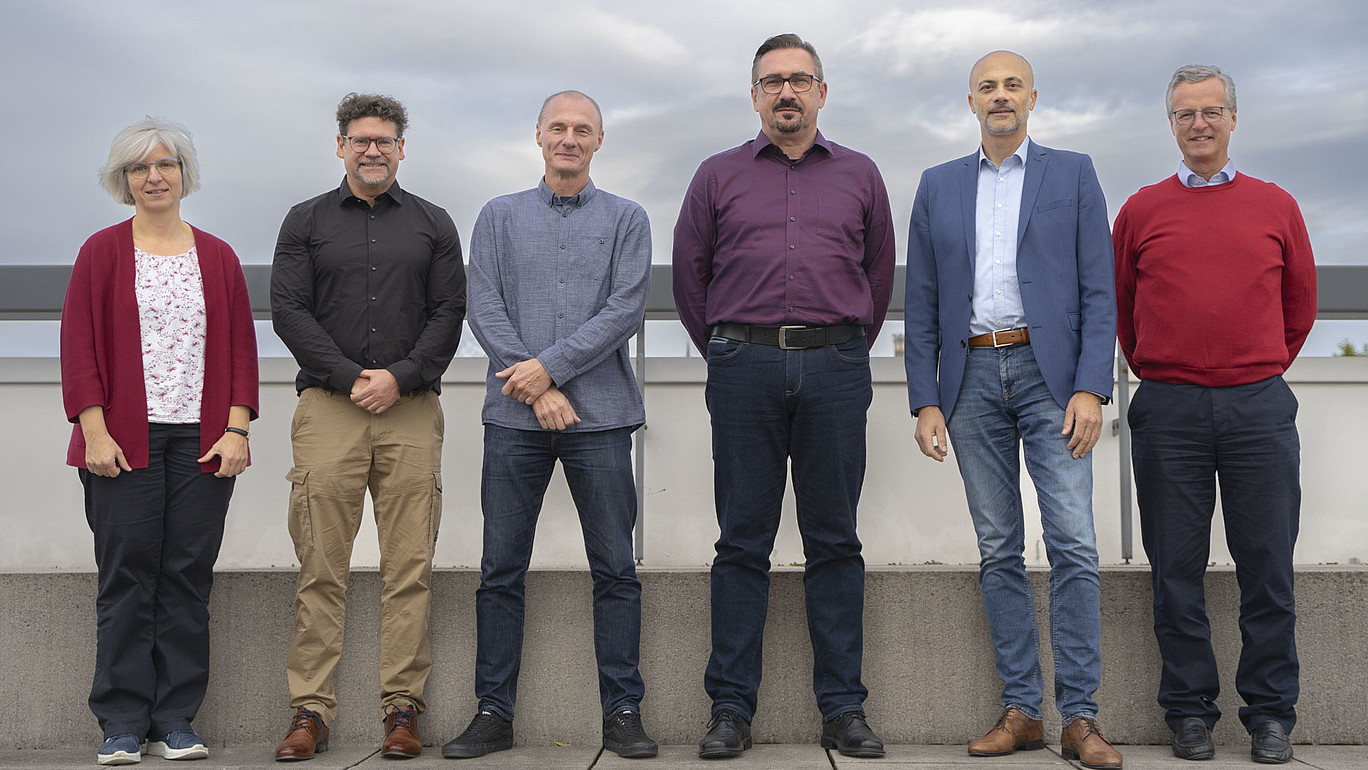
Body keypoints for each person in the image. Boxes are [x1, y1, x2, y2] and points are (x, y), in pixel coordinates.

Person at [673, 33, 894, 760]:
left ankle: (844, 710)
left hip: (835, 367)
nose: (787, 93)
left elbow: (879, 274)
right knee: (742, 542)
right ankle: (731, 710)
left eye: (800, 80)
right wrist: (730, 352)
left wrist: (842, 346)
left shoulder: (860, 174)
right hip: (744, 369)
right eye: (773, 82)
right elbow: (690, 277)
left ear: (822, 92)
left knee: (835, 541)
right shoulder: (716, 175)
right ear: (755, 95)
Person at [903, 51, 1121, 769]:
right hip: (969, 377)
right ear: (971, 103)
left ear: (1032, 97)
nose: (1000, 97)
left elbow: (1099, 288)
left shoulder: (1073, 173)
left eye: (1011, 85)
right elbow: (923, 303)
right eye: (987, 87)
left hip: (1050, 377)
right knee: (998, 547)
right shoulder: (937, 186)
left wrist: (1092, 385)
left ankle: (1081, 718)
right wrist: (926, 398)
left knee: (1074, 545)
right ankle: (1024, 709)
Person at [441, 90, 656, 761]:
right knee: (500, 568)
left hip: (602, 418)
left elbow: (625, 310)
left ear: (599, 140)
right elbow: (484, 306)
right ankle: (492, 712)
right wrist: (536, 390)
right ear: (538, 135)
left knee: (616, 568)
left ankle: (623, 711)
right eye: (558, 127)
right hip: (513, 419)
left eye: (582, 129)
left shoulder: (629, 218)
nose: (569, 138)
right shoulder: (498, 217)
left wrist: (551, 372)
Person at [1113, 64, 1316, 766]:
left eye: (1211, 111)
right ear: (1170, 123)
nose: (1198, 123)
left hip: (1258, 403)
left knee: (1268, 567)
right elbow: (1122, 310)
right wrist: (1169, 370)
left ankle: (1270, 715)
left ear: (1234, 118)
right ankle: (1189, 713)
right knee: (1175, 569)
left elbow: (1301, 308)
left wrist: (1248, 367)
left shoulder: (1277, 205)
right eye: (1185, 113)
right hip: (1168, 408)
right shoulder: (1140, 210)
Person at [270, 92, 466, 761]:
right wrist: (353, 375)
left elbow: (448, 312)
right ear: (341, 146)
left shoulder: (434, 224)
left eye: (385, 140)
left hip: (410, 410)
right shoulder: (306, 221)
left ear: (402, 149)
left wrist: (400, 376)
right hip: (329, 409)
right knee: (320, 564)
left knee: (408, 567)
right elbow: (290, 311)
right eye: (361, 140)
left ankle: (402, 709)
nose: (373, 150)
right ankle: (310, 712)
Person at [61, 119, 259, 765]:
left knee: (186, 580)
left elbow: (239, 350)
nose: (154, 177)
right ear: (124, 180)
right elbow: (79, 347)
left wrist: (236, 429)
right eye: (140, 168)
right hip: (122, 442)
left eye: (166, 165)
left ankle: (175, 720)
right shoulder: (101, 252)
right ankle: (121, 722)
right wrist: (93, 429)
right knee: (126, 578)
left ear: (184, 174)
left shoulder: (219, 256)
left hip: (202, 444)